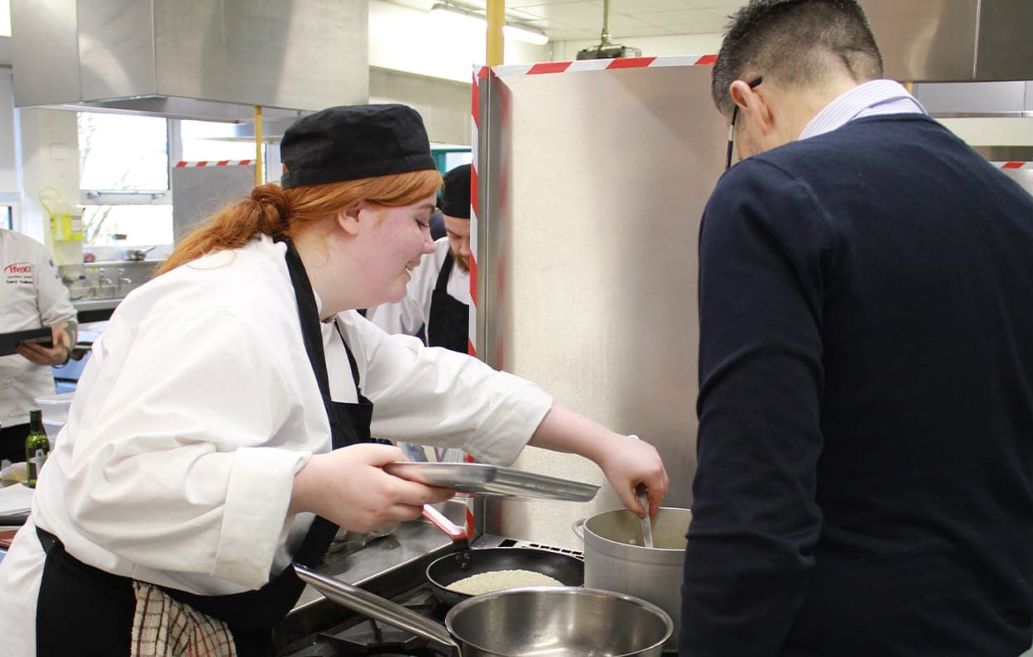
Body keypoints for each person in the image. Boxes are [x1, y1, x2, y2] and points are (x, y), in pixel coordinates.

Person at [0, 104, 667, 657]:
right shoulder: (224, 310)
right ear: (352, 212)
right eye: (417, 218)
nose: (431, 241)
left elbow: (448, 385)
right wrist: (308, 484)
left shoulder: (321, 320)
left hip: (207, 611)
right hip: (104, 622)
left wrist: (605, 444)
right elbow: (111, 488)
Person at [683, 2, 1033, 656]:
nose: (739, 155)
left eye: (733, 135)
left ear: (751, 101)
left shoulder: (768, 197)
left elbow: (755, 518)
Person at [368, 163, 473, 353]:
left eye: (475, 240)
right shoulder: (429, 261)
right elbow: (382, 337)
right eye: (454, 236)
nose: (465, 250)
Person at [0, 228, 77, 462]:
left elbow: (62, 318)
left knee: (29, 489)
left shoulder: (29, 252)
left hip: (24, 410)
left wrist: (59, 351)